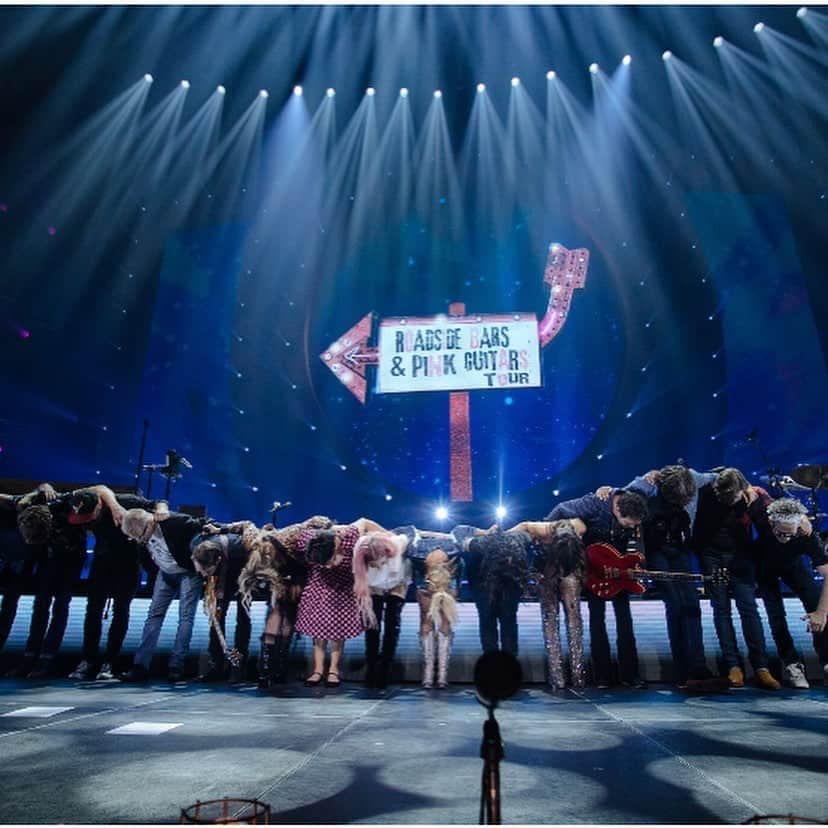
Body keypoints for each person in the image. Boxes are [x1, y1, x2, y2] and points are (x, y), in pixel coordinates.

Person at [622, 465, 730, 692]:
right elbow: (622, 495)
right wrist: (639, 478)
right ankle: (684, 670)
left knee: (691, 604)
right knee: (676, 603)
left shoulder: (694, 477)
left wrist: (750, 488)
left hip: (680, 547)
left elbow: (720, 476)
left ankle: (698, 667)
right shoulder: (649, 486)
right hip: (656, 550)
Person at [537, 488, 648, 689]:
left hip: (619, 570)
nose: (634, 526)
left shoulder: (629, 498)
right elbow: (561, 509)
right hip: (593, 569)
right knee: (597, 618)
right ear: (617, 511)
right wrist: (550, 541)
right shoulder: (595, 504)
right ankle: (602, 675)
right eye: (630, 522)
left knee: (625, 618)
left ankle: (631, 673)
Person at [68, 486, 166, 681]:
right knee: (93, 610)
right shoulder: (84, 500)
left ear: (98, 504)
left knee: (121, 611)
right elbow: (97, 487)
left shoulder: (127, 501)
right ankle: (88, 659)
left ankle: (111, 660)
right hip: (102, 562)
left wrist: (160, 513)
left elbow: (157, 504)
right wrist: (112, 505)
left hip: (128, 563)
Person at [696, 469, 780, 690]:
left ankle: (761, 666)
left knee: (748, 608)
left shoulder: (755, 495)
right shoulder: (707, 490)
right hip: (712, 554)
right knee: (721, 609)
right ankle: (733, 665)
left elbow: (775, 516)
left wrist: (754, 504)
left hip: (741, 555)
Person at [236, 515, 331, 689]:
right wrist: (221, 528)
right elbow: (246, 524)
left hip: (296, 570)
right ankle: (269, 669)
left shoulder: (290, 535)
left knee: (284, 613)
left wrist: (326, 528)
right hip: (276, 575)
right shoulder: (256, 543)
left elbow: (245, 524)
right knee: (278, 611)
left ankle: (274, 669)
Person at [6, 484, 88, 678]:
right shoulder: (32, 504)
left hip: (70, 559)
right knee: (40, 605)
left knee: (61, 606)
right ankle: (30, 655)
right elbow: (25, 494)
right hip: (48, 559)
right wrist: (39, 489)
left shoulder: (63, 504)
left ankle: (47, 657)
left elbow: (93, 491)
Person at [748, 495, 828, 688]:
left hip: (794, 567)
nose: (785, 538)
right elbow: (752, 491)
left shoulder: (806, 535)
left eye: (790, 534)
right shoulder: (761, 516)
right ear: (770, 523)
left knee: (815, 602)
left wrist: (821, 613)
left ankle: (826, 661)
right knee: (776, 616)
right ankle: (792, 663)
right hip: (765, 568)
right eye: (780, 533)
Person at [294, 517, 384, 687]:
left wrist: (387, 536)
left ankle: (334, 670)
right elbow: (297, 534)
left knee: (337, 632)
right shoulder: (310, 539)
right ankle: (318, 670)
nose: (328, 565)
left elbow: (364, 522)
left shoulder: (349, 536)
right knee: (318, 631)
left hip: (342, 589)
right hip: (318, 587)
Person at [118, 507, 206, 682]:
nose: (141, 541)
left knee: (185, 617)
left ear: (149, 524)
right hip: (164, 573)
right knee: (154, 616)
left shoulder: (173, 522)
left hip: (188, 572)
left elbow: (202, 525)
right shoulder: (141, 538)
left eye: (141, 536)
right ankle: (140, 666)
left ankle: (176, 667)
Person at [525, 520, 587, 689]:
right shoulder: (540, 529)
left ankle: (567, 676)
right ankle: (568, 676)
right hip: (547, 574)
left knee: (562, 623)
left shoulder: (577, 527)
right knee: (560, 622)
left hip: (566, 570)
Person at [352, 530, 412, 689]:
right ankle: (371, 666)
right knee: (373, 624)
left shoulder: (398, 544)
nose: (377, 564)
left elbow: (407, 537)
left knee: (392, 624)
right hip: (373, 583)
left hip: (398, 578)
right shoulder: (361, 550)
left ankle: (386, 667)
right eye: (372, 562)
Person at [190, 530, 251, 682]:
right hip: (220, 576)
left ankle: (238, 665)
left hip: (243, 571)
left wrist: (236, 588)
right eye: (201, 570)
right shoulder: (196, 544)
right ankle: (216, 665)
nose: (203, 574)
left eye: (206, 570)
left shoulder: (240, 548)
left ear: (217, 560)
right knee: (215, 617)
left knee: (243, 617)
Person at [463, 529, 532, 659]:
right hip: (497, 588)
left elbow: (466, 544)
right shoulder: (519, 537)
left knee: (491, 625)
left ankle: (495, 666)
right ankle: (507, 665)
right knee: (506, 624)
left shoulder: (481, 543)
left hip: (490, 589)